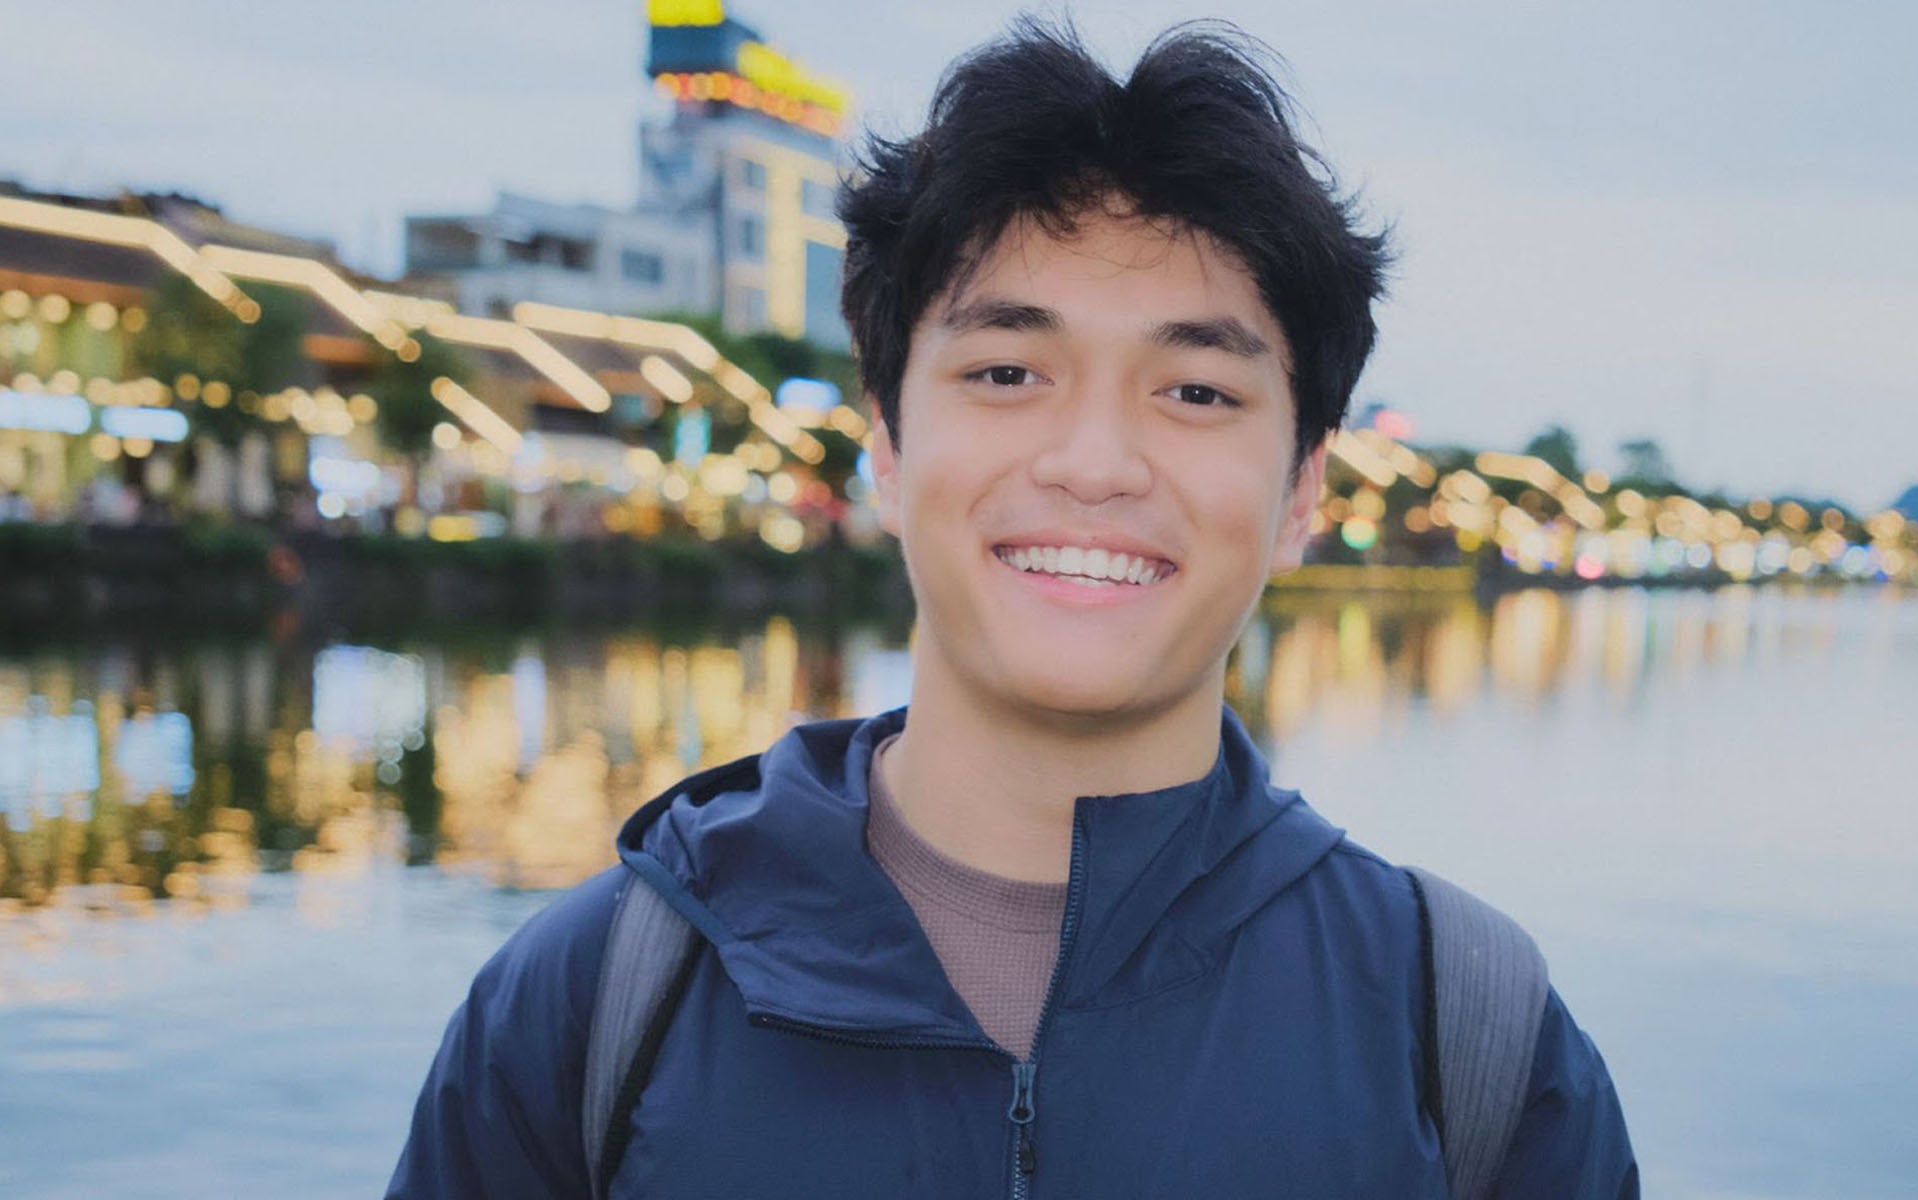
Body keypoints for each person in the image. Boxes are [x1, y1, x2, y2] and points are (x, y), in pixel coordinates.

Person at [389, 18, 1638, 1198]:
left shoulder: (1464, 1040)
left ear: (1300, 488)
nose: (1093, 463)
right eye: (1005, 371)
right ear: (886, 446)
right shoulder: (596, 1003)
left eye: (1195, 392)